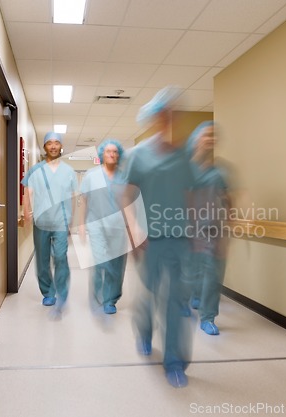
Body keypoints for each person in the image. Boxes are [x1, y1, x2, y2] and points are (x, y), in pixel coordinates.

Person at [122, 86, 195, 388]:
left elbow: (190, 196)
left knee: (176, 301)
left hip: (178, 239)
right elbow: (126, 197)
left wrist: (196, 232)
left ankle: (175, 362)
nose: (167, 118)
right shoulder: (138, 155)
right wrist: (134, 231)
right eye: (162, 113)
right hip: (148, 239)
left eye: (172, 113)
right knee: (147, 295)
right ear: (154, 118)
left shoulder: (183, 157)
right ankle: (143, 331)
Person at [186, 121, 234, 335]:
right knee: (190, 271)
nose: (211, 138)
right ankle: (193, 297)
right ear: (196, 140)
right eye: (206, 134)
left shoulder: (220, 171)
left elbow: (227, 199)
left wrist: (229, 229)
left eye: (213, 135)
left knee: (213, 275)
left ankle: (208, 317)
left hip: (214, 230)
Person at [22, 131, 77, 311]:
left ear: (61, 146)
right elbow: (27, 192)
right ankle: (48, 293)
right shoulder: (35, 170)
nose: (53, 146)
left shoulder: (68, 171)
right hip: (41, 221)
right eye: (49, 143)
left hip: (61, 221)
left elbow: (73, 196)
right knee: (42, 260)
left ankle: (61, 289)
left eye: (56, 143)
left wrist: (73, 220)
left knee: (60, 256)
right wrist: (26, 211)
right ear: (44, 146)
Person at [78, 139, 128, 315]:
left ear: (119, 154)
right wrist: (82, 224)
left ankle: (110, 300)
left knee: (117, 265)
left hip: (119, 226)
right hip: (96, 224)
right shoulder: (91, 175)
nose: (112, 154)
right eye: (108, 152)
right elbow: (84, 201)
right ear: (102, 154)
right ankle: (99, 292)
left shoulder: (125, 176)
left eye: (115, 152)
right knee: (101, 261)